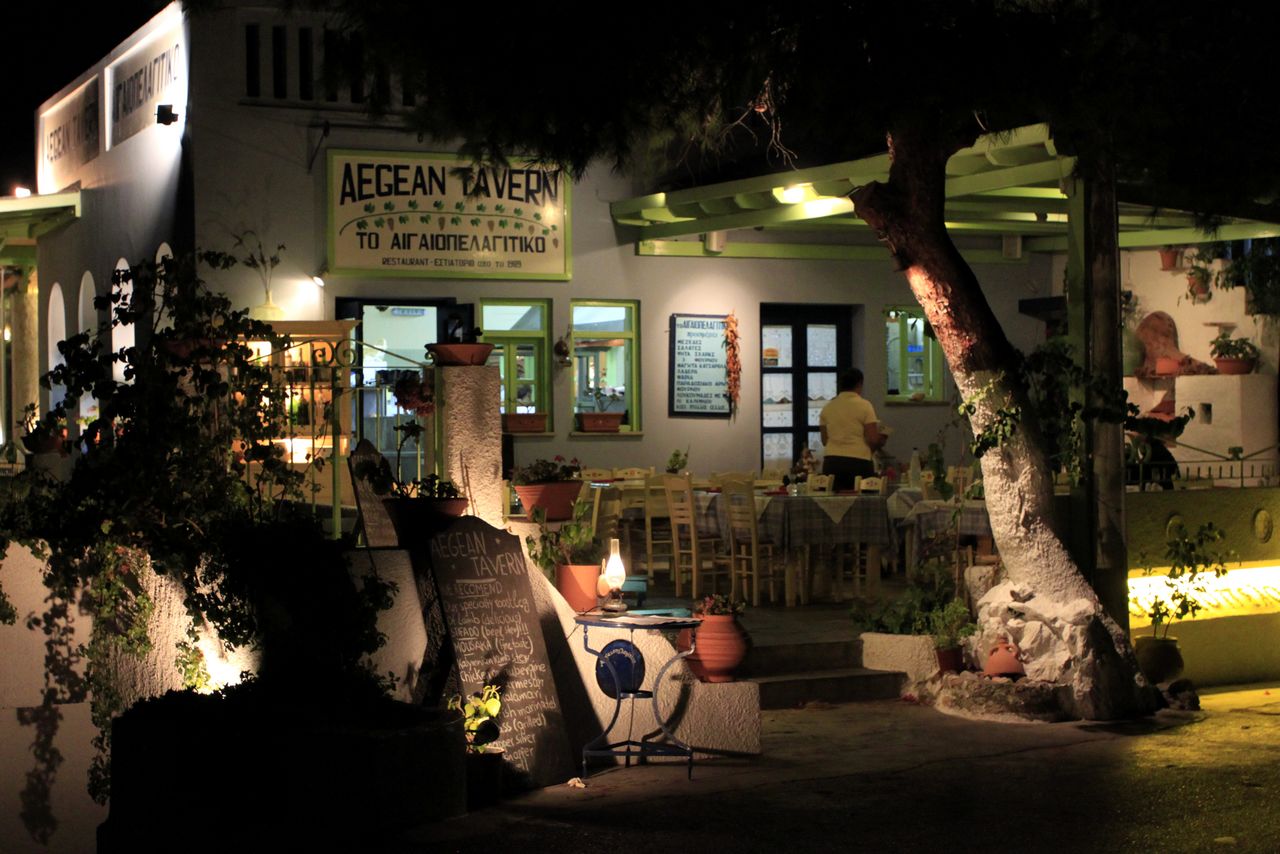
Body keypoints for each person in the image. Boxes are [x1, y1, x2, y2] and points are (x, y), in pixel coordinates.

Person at [819, 368, 887, 490]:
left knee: (834, 503)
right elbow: (872, 439)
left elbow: (824, 440)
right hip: (858, 462)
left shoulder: (828, 408)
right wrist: (882, 439)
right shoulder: (865, 406)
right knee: (863, 503)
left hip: (832, 461)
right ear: (859, 384)